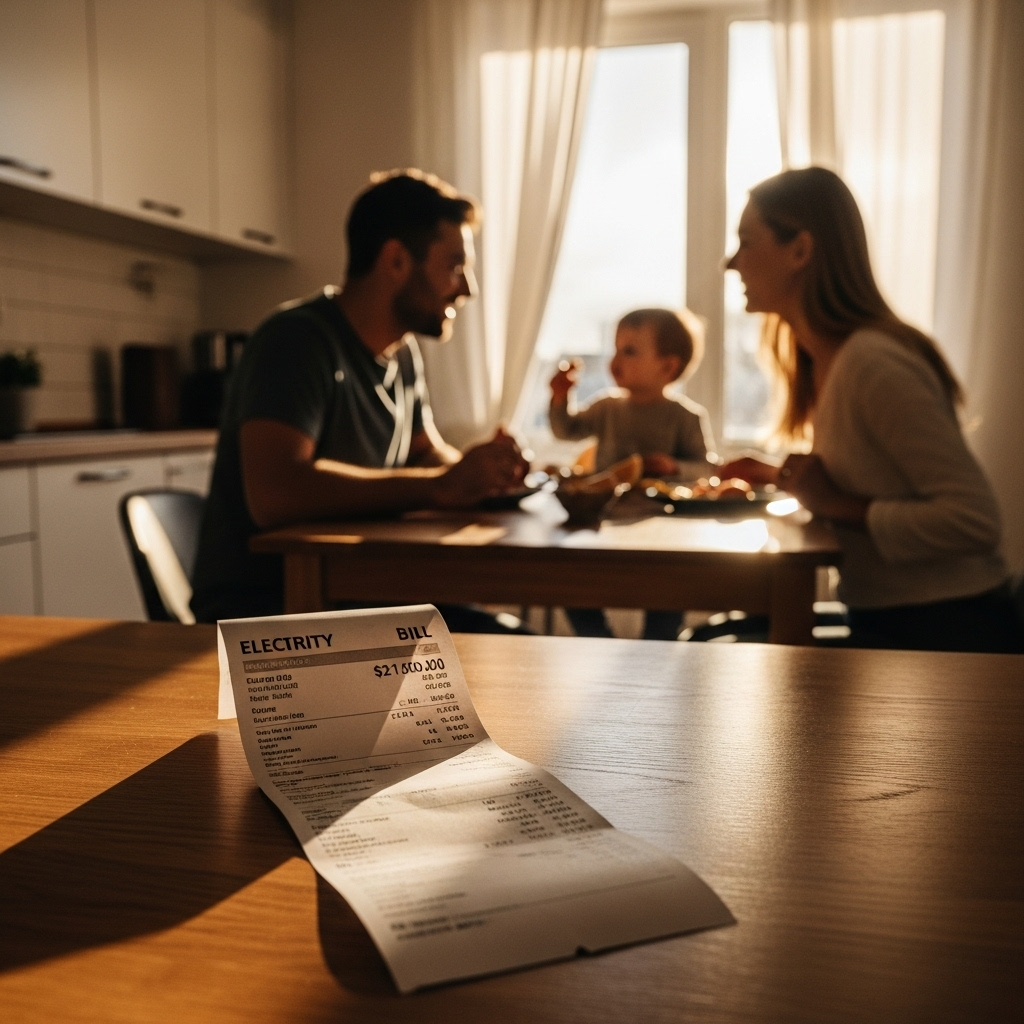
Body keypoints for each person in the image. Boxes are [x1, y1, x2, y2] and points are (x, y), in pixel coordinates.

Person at [190, 169, 530, 627]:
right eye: (454, 266)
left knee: (510, 645)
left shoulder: (402, 354)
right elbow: (275, 493)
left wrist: (483, 475)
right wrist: (441, 487)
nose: (467, 288)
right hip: (275, 613)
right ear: (395, 261)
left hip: (363, 598)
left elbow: (426, 454)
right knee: (509, 656)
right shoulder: (296, 340)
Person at [719, 166, 1022, 653]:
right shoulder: (825, 361)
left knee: (723, 656)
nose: (731, 263)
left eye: (746, 241)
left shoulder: (873, 365)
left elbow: (975, 520)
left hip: (949, 631)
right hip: (894, 619)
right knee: (721, 644)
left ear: (800, 251)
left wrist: (838, 505)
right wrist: (781, 475)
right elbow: (872, 472)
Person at [548, 307, 715, 640]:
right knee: (571, 586)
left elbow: (707, 468)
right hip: (604, 522)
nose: (614, 360)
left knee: (666, 600)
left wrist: (675, 467)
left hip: (664, 532)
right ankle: (598, 640)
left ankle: (659, 647)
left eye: (629, 351)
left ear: (668, 366)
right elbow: (567, 429)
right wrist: (559, 395)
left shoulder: (685, 416)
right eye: (615, 348)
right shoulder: (607, 407)